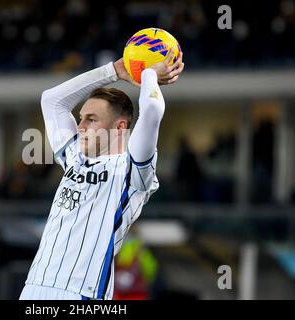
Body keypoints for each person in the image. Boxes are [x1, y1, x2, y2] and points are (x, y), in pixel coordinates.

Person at [19, 50, 184, 300]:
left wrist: (148, 73)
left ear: (119, 128)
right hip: (33, 287)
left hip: (82, 293)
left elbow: (151, 111)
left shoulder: (133, 173)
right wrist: (114, 71)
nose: (80, 126)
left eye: (91, 119)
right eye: (80, 118)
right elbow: (51, 100)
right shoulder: (74, 155)